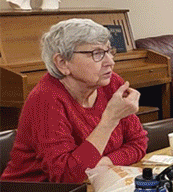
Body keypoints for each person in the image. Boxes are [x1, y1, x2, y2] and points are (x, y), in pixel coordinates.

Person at [1, 18, 147, 183]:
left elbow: (138, 142)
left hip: (91, 187)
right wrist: (110, 119)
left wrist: (101, 164)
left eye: (109, 51)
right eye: (97, 53)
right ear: (62, 62)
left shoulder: (110, 84)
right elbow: (66, 176)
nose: (110, 62)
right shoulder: (45, 99)